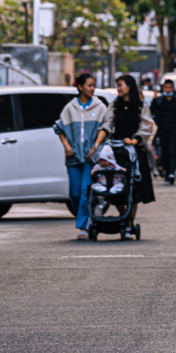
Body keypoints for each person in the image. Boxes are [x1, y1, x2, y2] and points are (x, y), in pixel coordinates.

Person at [92, 74, 155, 237]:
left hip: (134, 151)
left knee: (133, 192)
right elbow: (107, 125)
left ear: (130, 86)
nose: (118, 88)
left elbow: (146, 128)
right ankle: (126, 219)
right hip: (116, 152)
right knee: (116, 189)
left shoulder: (141, 106)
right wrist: (97, 144)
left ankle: (128, 223)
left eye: (121, 85)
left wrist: (134, 141)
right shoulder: (114, 105)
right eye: (117, 85)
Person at [54, 72, 107, 240]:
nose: (92, 88)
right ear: (80, 87)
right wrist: (66, 146)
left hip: (90, 158)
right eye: (89, 85)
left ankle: (84, 227)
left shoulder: (100, 107)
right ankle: (90, 212)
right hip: (73, 157)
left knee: (84, 191)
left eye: (93, 85)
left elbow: (105, 129)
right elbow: (59, 128)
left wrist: (96, 147)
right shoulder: (70, 108)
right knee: (74, 194)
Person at [151, 78, 176, 185]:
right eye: (166, 87)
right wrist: (154, 99)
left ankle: (172, 173)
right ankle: (167, 172)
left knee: (172, 151)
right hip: (162, 131)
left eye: (170, 87)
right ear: (163, 88)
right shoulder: (159, 100)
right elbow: (152, 112)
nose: (168, 89)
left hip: (174, 130)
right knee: (164, 152)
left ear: (173, 88)